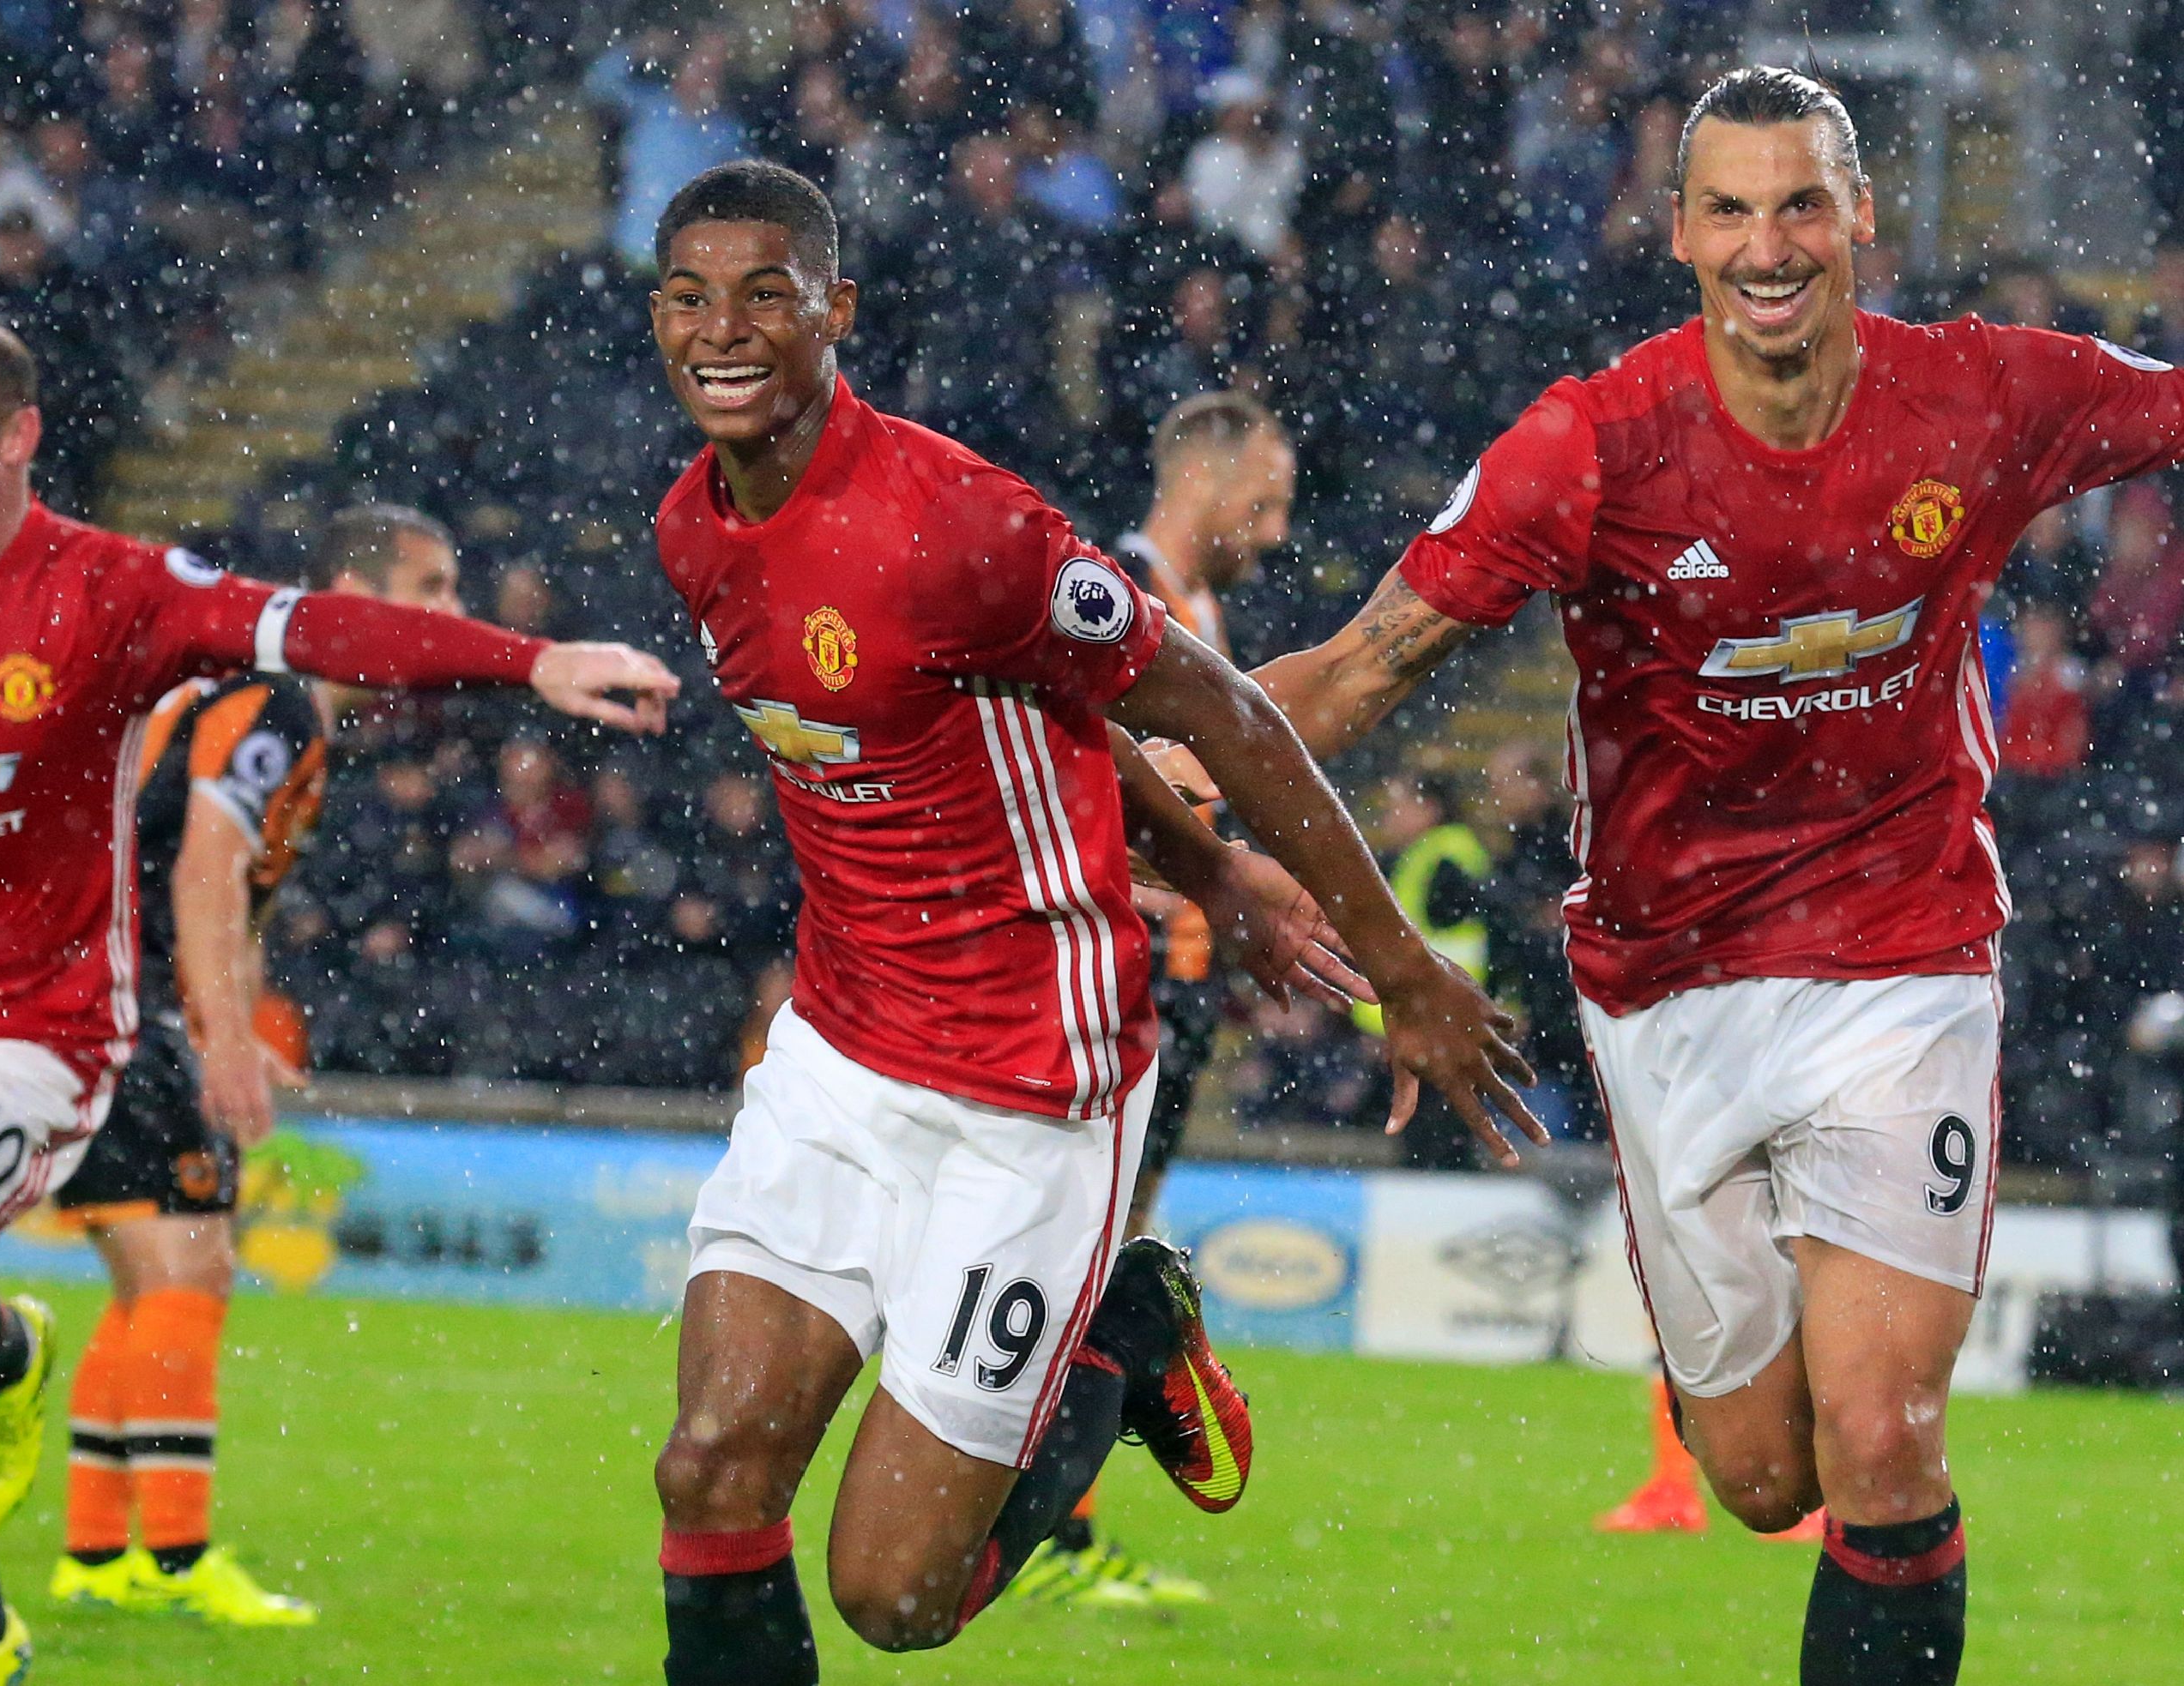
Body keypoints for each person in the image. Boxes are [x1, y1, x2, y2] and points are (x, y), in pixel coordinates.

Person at [1249, 68, 2184, 1686]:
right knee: (1759, 1475)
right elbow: (1353, 672)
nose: (1770, 246)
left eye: (1803, 204)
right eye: (1733, 210)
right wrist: (1148, 785)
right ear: (1678, 230)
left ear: (1861, 215)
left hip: (1903, 960)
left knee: (1883, 1440)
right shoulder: (1591, 445)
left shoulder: (1984, 394)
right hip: (1668, 987)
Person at [0, 315, 679, 1686]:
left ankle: (9, 1367)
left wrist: (525, 659)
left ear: (14, 437)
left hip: (33, 1026)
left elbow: (314, 622)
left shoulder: (110, 588)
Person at [645, 160, 1540, 1683]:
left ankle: (1123, 1336)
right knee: (710, 1471)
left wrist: (1394, 964)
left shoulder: (960, 526)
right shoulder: (692, 528)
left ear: (835, 310)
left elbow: (1226, 711)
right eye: (688, 297)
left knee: (894, 1595)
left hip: (1029, 1088)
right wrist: (1212, 873)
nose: (721, 329)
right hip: (841, 1060)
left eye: (764, 294)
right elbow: (1019, 724)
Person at [47, 503, 461, 1626]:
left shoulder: (269, 699)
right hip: (124, 1002)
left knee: (151, 1275)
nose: (451, 614)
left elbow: (219, 879)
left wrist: (226, 1011)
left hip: (104, 992)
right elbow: (204, 872)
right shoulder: (275, 703)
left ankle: (97, 1555)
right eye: (430, 588)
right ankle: (178, 1563)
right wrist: (228, 1039)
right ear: (355, 597)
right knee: (192, 1270)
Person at [1011, 388, 1295, 1610]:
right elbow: (1076, 783)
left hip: (1173, 986)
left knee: (1111, 1256)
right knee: (1082, 1251)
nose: (1276, 530)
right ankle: (1041, 1537)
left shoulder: (1203, 615)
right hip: (1112, 979)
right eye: (1265, 502)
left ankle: (1058, 1530)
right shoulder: (1118, 598)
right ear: (1206, 481)